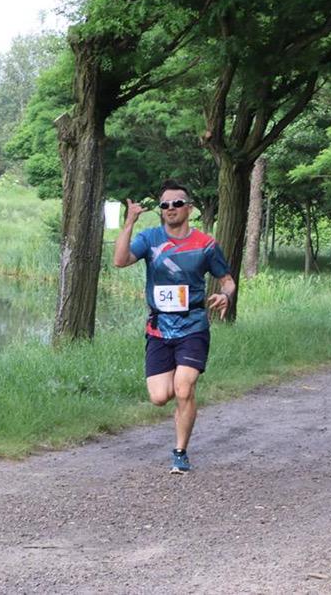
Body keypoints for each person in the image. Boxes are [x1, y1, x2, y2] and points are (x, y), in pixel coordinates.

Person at [113, 179, 236, 474]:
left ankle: (180, 452)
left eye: (177, 203)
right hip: (158, 328)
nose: (171, 208)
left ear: (189, 209)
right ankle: (182, 404)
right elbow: (120, 260)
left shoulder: (205, 244)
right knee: (159, 397)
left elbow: (228, 281)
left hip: (193, 325)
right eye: (165, 204)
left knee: (183, 388)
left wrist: (225, 295)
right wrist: (129, 222)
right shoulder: (150, 238)